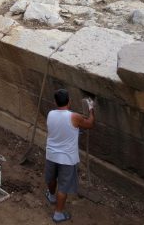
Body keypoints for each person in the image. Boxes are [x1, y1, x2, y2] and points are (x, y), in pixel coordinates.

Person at [45, 89, 95, 223]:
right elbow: (90, 124)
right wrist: (91, 109)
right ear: (70, 101)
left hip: (51, 154)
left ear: (55, 102)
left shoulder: (50, 114)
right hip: (67, 159)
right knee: (63, 187)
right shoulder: (74, 117)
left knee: (51, 178)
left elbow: (60, 128)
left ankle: (51, 196)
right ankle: (58, 214)